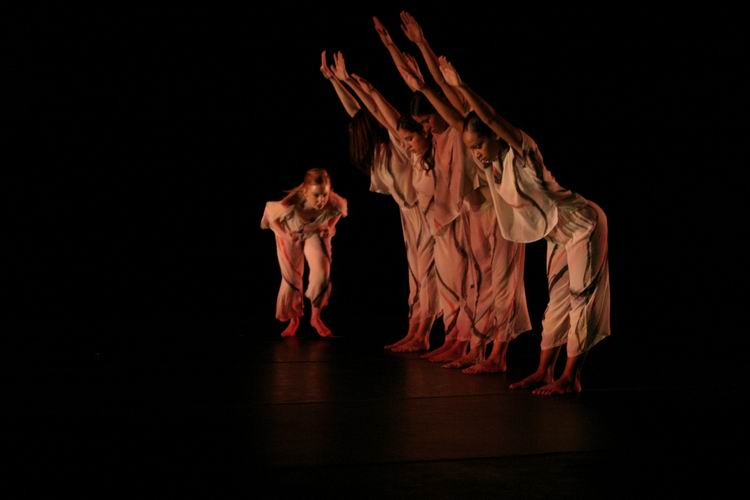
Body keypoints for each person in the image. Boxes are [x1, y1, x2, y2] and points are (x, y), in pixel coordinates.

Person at [439, 56, 611, 395]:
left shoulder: (523, 152)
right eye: (472, 149)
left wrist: (462, 86)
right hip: (557, 234)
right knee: (556, 304)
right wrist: (427, 85)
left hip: (582, 224)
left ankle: (570, 378)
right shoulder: (494, 165)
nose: (477, 153)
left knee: (581, 298)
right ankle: (544, 371)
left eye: (479, 145)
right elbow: (459, 123)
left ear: (496, 137)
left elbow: (490, 118)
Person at [379, 12, 531, 371]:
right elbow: (424, 88)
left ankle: (496, 354)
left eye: (428, 120)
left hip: (499, 214)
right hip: (472, 213)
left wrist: (422, 44)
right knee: (476, 283)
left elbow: (438, 88)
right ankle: (475, 347)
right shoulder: (451, 136)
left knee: (501, 283)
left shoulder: (466, 130)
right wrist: (397, 52)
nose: (425, 128)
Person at [320, 50, 437, 351]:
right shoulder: (378, 152)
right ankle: (414, 330)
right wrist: (335, 81)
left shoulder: (397, 141)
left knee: (428, 274)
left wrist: (353, 82)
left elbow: (372, 106)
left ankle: (422, 334)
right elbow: (355, 112)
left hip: (426, 211)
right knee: (416, 276)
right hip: (408, 213)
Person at [261, 168, 347, 338]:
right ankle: (294, 319)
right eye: (316, 195)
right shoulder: (292, 202)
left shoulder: (332, 201)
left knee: (322, 273)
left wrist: (330, 226)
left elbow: (340, 210)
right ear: (306, 192)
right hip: (291, 230)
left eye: (325, 194)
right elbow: (271, 215)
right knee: (292, 278)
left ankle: (315, 318)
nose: (322, 200)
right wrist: (285, 235)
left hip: (315, 230)